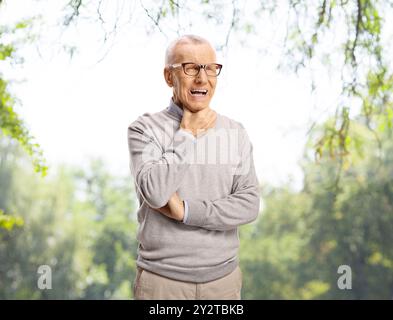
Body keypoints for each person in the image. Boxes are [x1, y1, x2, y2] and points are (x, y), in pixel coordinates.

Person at [127, 34, 260, 300]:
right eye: (191, 68)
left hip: (223, 282)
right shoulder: (144, 129)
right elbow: (155, 192)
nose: (202, 78)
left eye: (210, 68)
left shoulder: (235, 132)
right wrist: (187, 132)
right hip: (162, 283)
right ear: (168, 77)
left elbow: (249, 205)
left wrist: (186, 211)